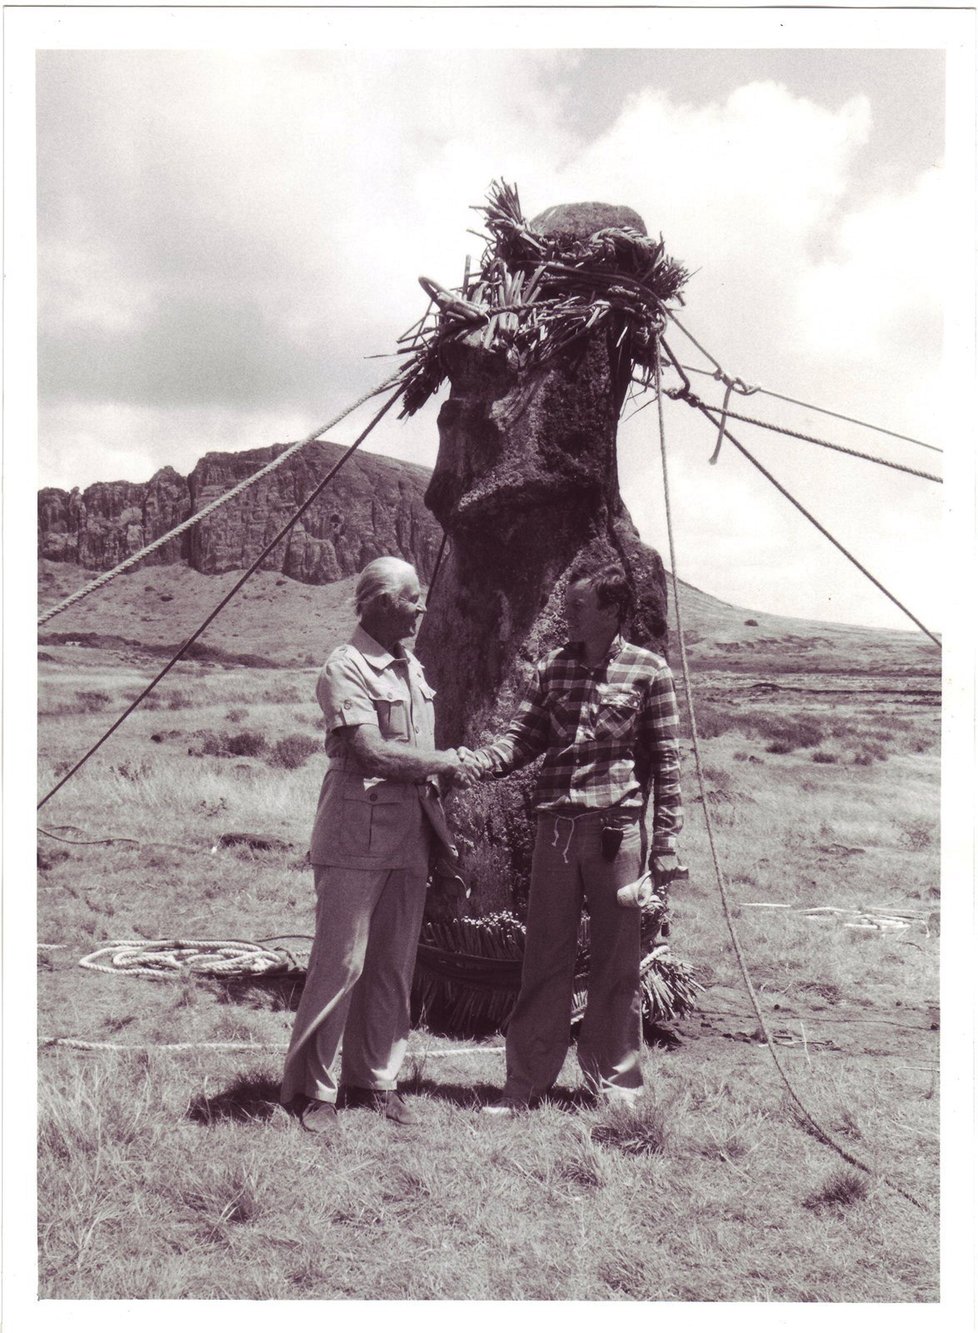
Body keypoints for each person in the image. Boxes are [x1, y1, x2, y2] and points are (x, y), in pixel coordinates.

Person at [458, 557, 684, 1114]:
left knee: (616, 963)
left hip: (617, 834)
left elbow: (668, 764)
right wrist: (474, 762)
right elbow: (521, 738)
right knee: (544, 959)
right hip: (555, 833)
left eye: (578, 607)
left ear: (612, 610)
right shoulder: (553, 668)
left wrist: (667, 843)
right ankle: (524, 1085)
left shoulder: (649, 671)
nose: (567, 616)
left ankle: (616, 1089)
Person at [281, 556, 472, 1133]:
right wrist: (444, 763)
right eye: (412, 598)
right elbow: (369, 753)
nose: (421, 608)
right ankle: (310, 1091)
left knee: (393, 963)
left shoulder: (409, 666)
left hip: (409, 834)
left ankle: (375, 1081)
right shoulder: (346, 668)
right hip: (354, 836)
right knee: (340, 963)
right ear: (379, 601)